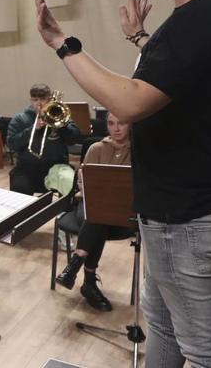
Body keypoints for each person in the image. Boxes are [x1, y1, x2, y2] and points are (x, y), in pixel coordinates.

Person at [34, 0, 211, 366]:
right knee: (163, 327)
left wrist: (62, 43)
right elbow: (176, 86)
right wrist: (139, 38)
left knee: (208, 351)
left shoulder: (197, 21)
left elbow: (128, 101)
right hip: (183, 214)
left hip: (184, 218)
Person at [55, 113, 134, 312]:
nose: (116, 128)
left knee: (100, 218)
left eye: (121, 123)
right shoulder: (96, 148)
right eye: (111, 123)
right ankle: (88, 283)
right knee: (98, 216)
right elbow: (84, 183)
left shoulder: (139, 151)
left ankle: (77, 263)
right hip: (89, 206)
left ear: (130, 125)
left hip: (121, 212)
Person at [6, 83, 82, 195]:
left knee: (70, 182)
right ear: (30, 100)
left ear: (50, 99)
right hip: (27, 168)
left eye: (43, 99)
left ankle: (68, 211)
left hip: (56, 167)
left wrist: (60, 125)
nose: (39, 103)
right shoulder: (20, 119)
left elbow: (74, 138)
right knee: (19, 187)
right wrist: (32, 129)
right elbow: (12, 144)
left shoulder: (60, 115)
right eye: (35, 99)